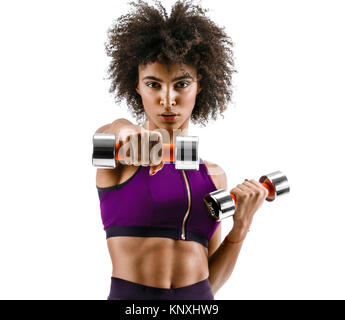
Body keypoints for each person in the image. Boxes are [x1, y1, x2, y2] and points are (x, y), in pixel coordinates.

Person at [95, 0, 268, 300]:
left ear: (200, 85)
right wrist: (123, 128)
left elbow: (210, 282)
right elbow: (103, 138)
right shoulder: (123, 157)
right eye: (153, 84)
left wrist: (240, 227)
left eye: (181, 83)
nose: (167, 99)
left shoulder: (214, 176)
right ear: (136, 85)